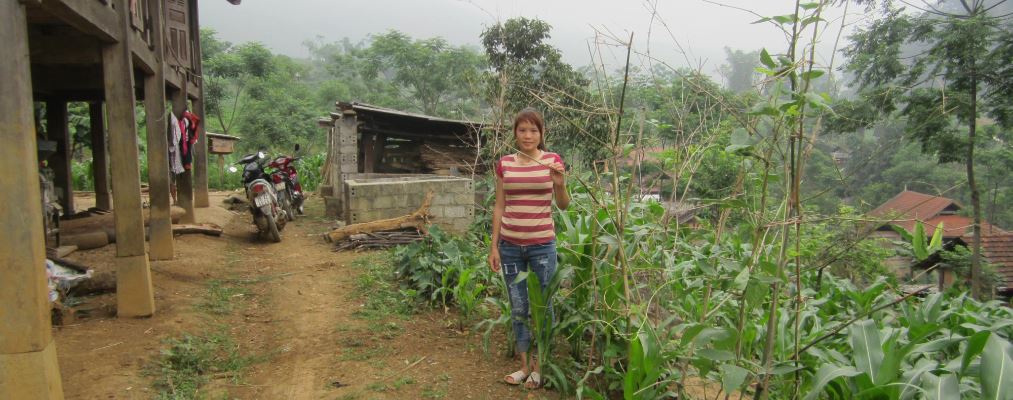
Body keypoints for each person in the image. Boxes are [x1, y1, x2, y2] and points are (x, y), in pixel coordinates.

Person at [488, 108, 569, 389]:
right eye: (522, 130)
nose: (527, 135)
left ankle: (541, 364)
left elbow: (563, 204)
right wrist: (494, 247)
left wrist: (560, 185)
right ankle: (524, 365)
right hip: (510, 246)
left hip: (542, 246)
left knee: (544, 306)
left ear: (541, 134)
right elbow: (499, 206)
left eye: (533, 130)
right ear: (515, 133)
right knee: (519, 305)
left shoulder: (552, 161)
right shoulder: (505, 164)